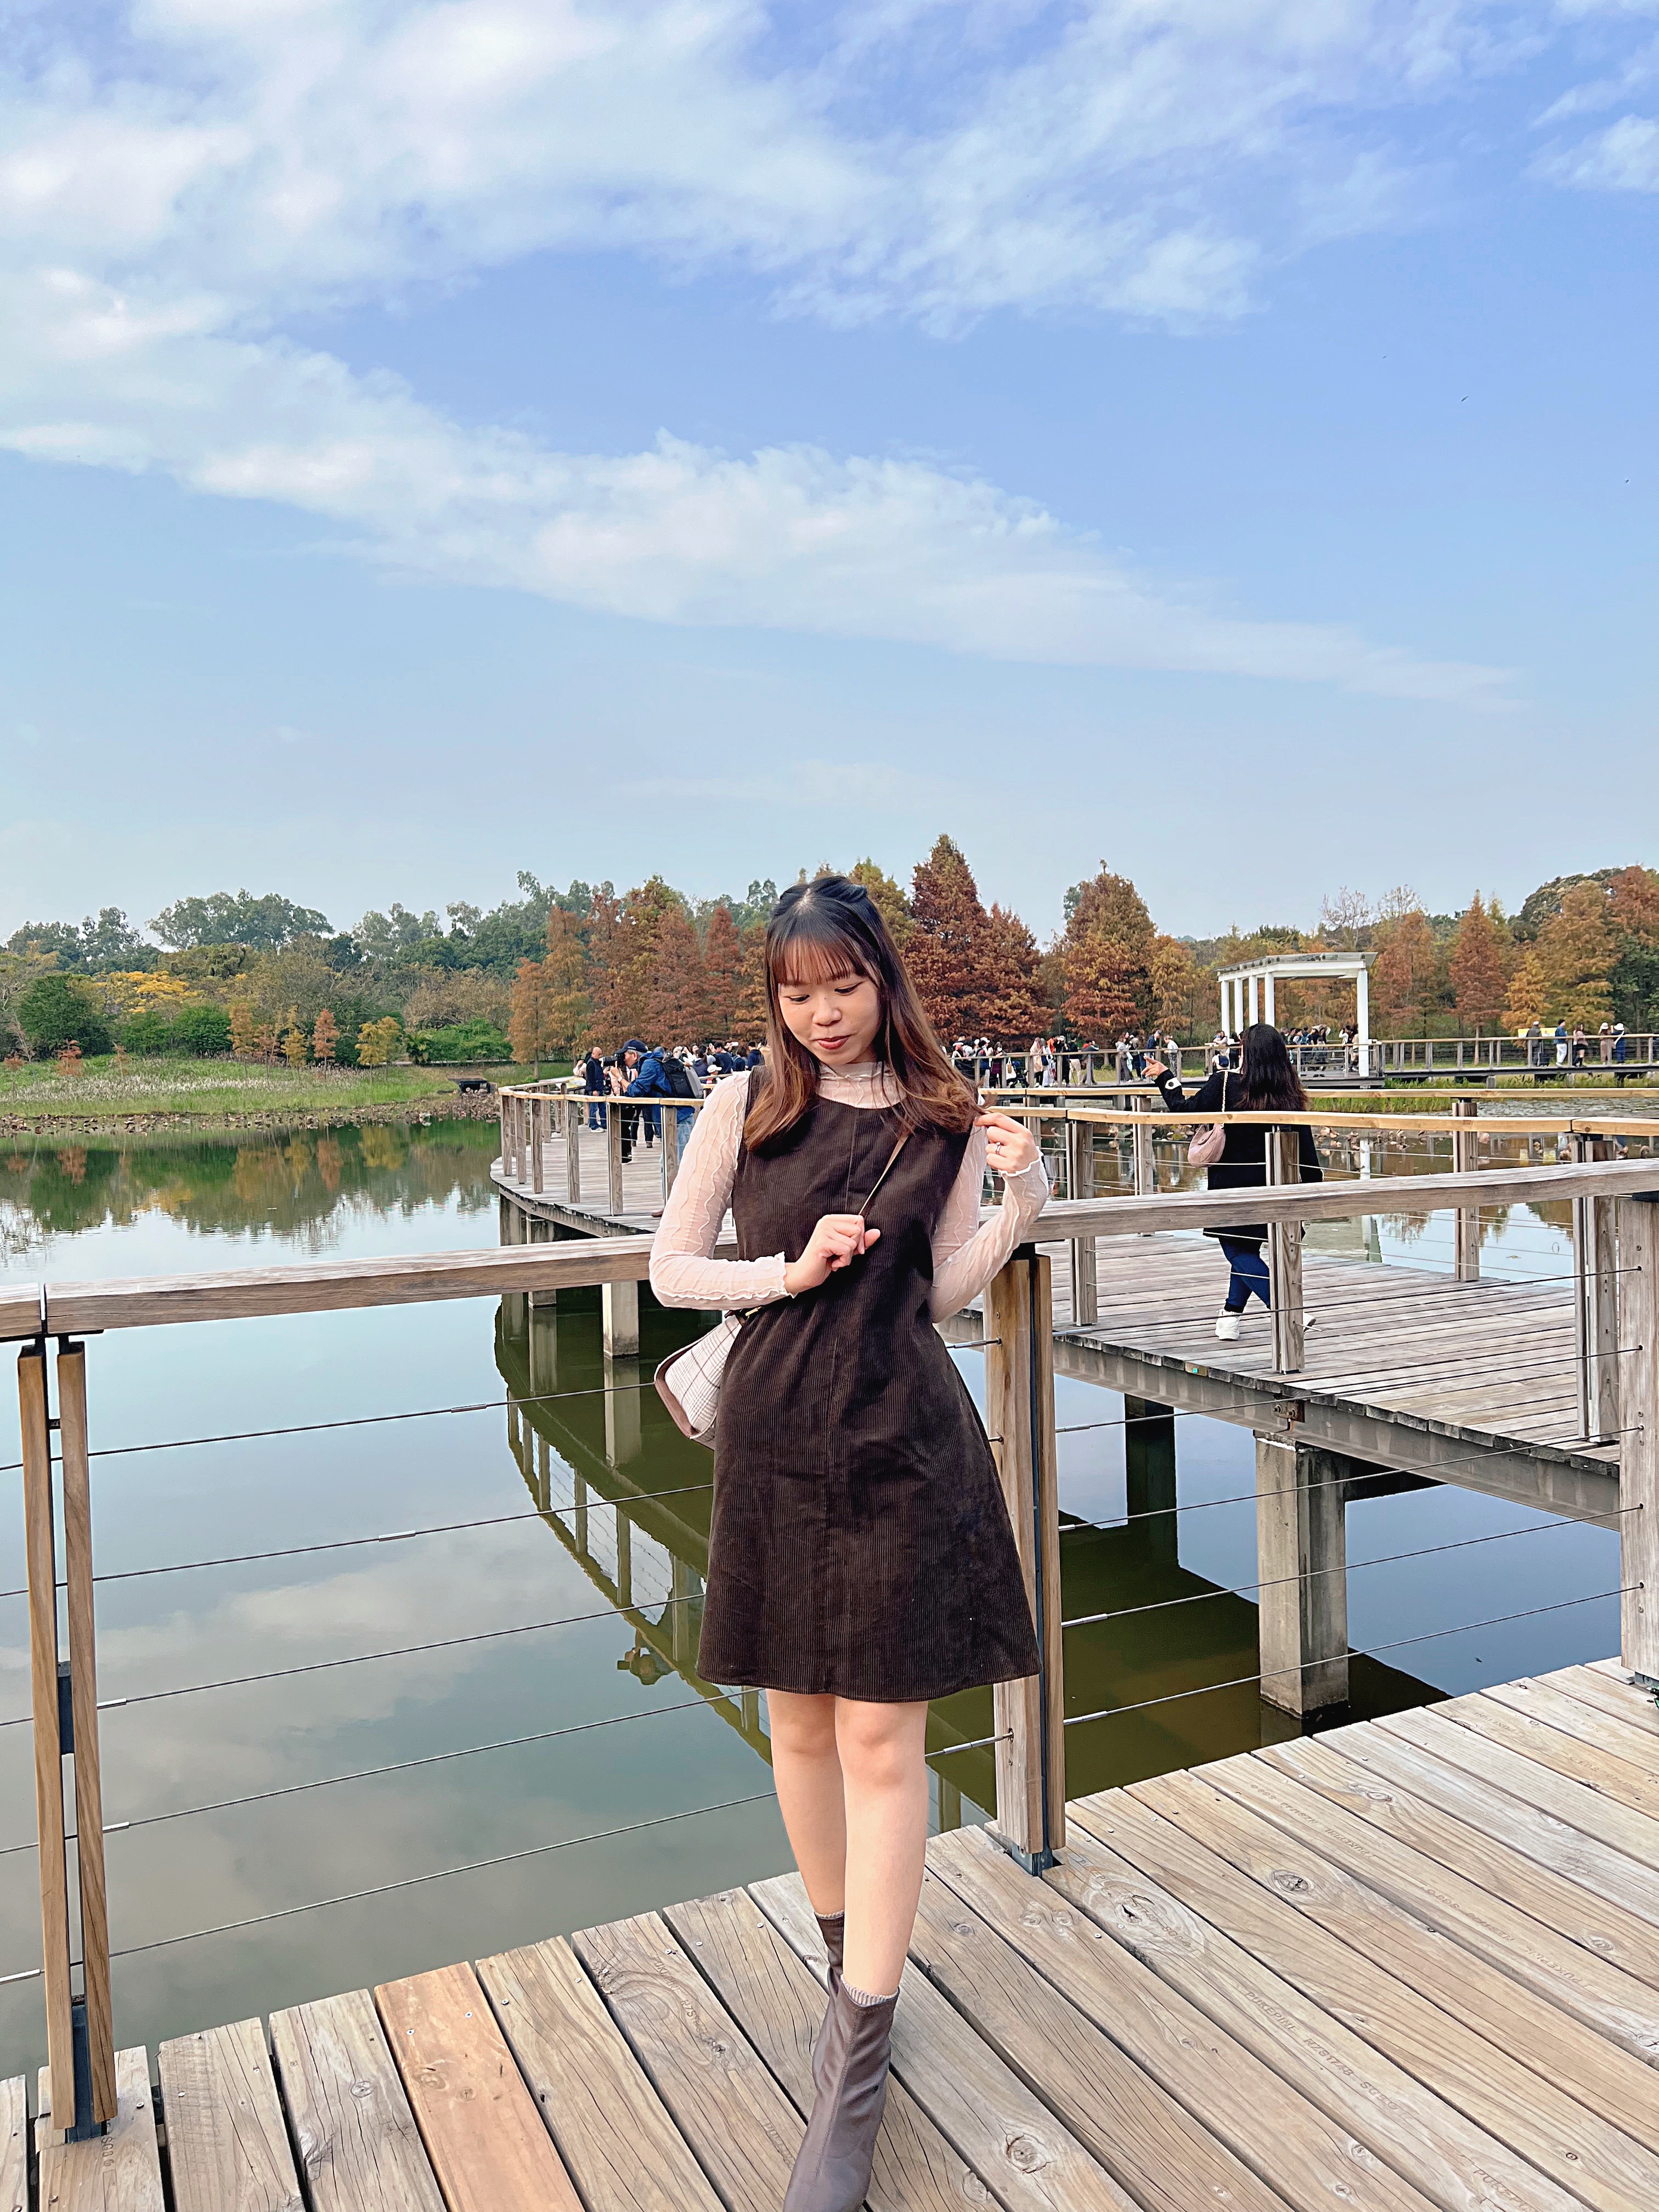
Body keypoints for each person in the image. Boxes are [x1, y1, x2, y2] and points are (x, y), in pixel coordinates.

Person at [650, 874, 1047, 2210]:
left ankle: (857, 2067)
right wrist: (788, 1271)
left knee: (882, 1738)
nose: (821, 1014)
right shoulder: (744, 1107)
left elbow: (936, 1295)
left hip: (900, 1440)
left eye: (843, 986)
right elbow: (671, 1272)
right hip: (775, 1439)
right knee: (800, 1726)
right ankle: (845, 1975)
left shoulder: (943, 1117)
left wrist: (1022, 1203)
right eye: (797, 992)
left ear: (885, 980)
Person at [1148, 1024, 1322, 1340]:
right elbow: (1305, 1142)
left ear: (1247, 1053)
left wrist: (1165, 1077)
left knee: (1237, 1253)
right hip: (1273, 1187)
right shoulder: (1289, 1092)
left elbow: (1183, 1109)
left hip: (1230, 1187)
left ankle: (1289, 1310)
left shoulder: (1226, 1083)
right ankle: (1229, 1318)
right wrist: (1312, 1183)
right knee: (1246, 1251)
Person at [581, 1042, 607, 1130]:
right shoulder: (591, 1063)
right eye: (599, 1054)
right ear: (594, 1053)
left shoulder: (597, 1063)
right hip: (595, 1089)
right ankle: (593, 1125)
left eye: (601, 1054)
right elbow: (591, 1078)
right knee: (594, 1108)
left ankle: (604, 1124)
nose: (600, 1056)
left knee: (603, 1108)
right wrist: (593, 1090)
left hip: (600, 1088)